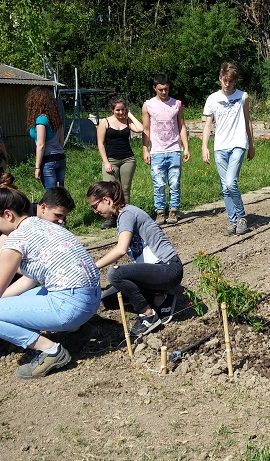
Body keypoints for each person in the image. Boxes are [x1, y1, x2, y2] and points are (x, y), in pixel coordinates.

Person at [0, 177, 100, 379]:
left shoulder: (17, 239)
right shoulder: (44, 226)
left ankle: (51, 351)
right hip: (91, 300)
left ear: (8, 214)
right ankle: (79, 329)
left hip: (71, 306)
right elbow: (21, 285)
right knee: (12, 301)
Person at [87, 181, 183, 337]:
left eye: (95, 206)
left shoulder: (127, 213)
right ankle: (161, 300)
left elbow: (121, 249)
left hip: (168, 268)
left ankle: (148, 315)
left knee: (115, 274)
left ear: (106, 200)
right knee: (109, 300)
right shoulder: (123, 215)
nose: (95, 211)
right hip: (157, 271)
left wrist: (93, 266)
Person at [0, 175, 76, 274]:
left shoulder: (34, 217)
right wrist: (34, 274)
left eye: (63, 217)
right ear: (43, 207)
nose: (61, 221)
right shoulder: (23, 218)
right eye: (58, 215)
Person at [202, 62, 255, 236]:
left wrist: (251, 145)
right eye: (225, 80)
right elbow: (208, 124)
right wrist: (204, 146)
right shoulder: (212, 99)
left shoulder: (243, 97)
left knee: (231, 182)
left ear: (235, 81)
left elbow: (248, 120)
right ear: (220, 79)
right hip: (220, 146)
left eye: (231, 81)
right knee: (225, 187)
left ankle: (241, 217)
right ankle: (232, 221)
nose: (227, 84)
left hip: (238, 144)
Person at [142, 74, 190, 225]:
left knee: (175, 182)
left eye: (166, 89)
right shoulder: (148, 105)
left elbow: (181, 125)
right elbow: (146, 129)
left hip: (174, 149)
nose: (164, 92)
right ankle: (160, 211)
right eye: (161, 90)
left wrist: (186, 147)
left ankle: (174, 210)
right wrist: (145, 149)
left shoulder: (176, 104)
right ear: (154, 88)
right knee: (159, 183)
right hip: (157, 150)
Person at [96, 94, 143, 229]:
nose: (121, 112)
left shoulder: (127, 122)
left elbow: (140, 129)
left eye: (123, 110)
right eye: (118, 110)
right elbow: (100, 144)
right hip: (111, 159)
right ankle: (111, 218)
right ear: (112, 109)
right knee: (109, 191)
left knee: (125, 190)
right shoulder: (105, 122)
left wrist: (131, 115)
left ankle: (125, 217)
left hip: (128, 158)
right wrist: (106, 162)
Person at [26, 87, 66, 191]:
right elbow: (61, 142)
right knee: (60, 193)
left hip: (48, 160)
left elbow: (41, 145)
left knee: (51, 195)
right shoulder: (57, 119)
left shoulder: (41, 120)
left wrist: (37, 167)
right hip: (60, 157)